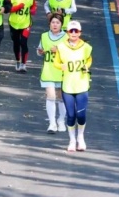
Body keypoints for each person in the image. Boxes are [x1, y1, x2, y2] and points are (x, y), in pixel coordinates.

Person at [53, 20, 93, 152]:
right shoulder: (61, 47)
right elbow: (56, 62)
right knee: (71, 115)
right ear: (67, 32)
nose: (74, 33)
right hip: (68, 86)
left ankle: (80, 137)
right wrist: (61, 66)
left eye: (76, 31)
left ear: (80, 33)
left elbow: (89, 59)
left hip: (82, 85)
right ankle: (72, 140)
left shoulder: (86, 47)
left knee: (81, 115)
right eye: (71, 31)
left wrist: (86, 66)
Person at [37, 14, 68, 133]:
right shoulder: (44, 36)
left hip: (61, 71)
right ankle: (52, 123)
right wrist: (40, 51)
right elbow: (40, 50)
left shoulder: (66, 37)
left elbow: (71, 53)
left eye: (57, 23)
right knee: (50, 97)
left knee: (61, 98)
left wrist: (59, 50)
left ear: (61, 25)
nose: (55, 25)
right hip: (48, 70)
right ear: (49, 24)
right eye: (53, 22)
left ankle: (61, 120)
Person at [9, 0, 36, 73]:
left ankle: (23, 64)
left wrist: (32, 10)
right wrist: (18, 7)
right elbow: (8, 9)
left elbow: (34, 7)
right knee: (16, 43)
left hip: (26, 24)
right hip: (14, 23)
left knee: (23, 43)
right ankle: (17, 60)